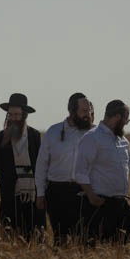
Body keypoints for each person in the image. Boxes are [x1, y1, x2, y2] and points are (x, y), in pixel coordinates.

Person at [74, 100, 130, 245]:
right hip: (99, 204)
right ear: (117, 117)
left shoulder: (122, 141)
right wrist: (91, 196)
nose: (127, 123)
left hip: (120, 203)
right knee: (100, 246)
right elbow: (80, 172)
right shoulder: (92, 138)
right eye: (126, 119)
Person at [35, 92, 93, 245]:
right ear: (72, 111)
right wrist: (40, 194)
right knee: (60, 239)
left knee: (84, 239)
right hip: (57, 193)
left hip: (84, 193)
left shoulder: (94, 134)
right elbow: (41, 165)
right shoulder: (53, 132)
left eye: (89, 111)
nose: (88, 114)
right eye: (84, 111)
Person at [0, 93, 46, 242]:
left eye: (17, 115)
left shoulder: (34, 135)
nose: (14, 118)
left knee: (34, 235)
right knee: (9, 234)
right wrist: (12, 177)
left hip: (33, 194)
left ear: (24, 115)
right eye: (11, 115)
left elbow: (40, 162)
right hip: (10, 192)